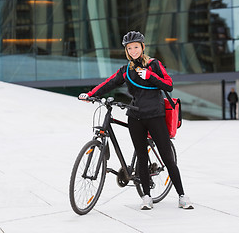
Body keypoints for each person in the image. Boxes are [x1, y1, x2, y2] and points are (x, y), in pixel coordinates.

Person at [79, 31, 193, 210]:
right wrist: (91, 94)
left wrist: (150, 76)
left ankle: (182, 195)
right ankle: (146, 197)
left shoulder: (154, 64)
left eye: (136, 47)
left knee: (167, 157)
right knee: (141, 155)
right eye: (129, 48)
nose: (133, 51)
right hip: (135, 117)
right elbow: (109, 83)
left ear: (142, 47)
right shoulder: (126, 70)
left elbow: (169, 84)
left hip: (155, 115)